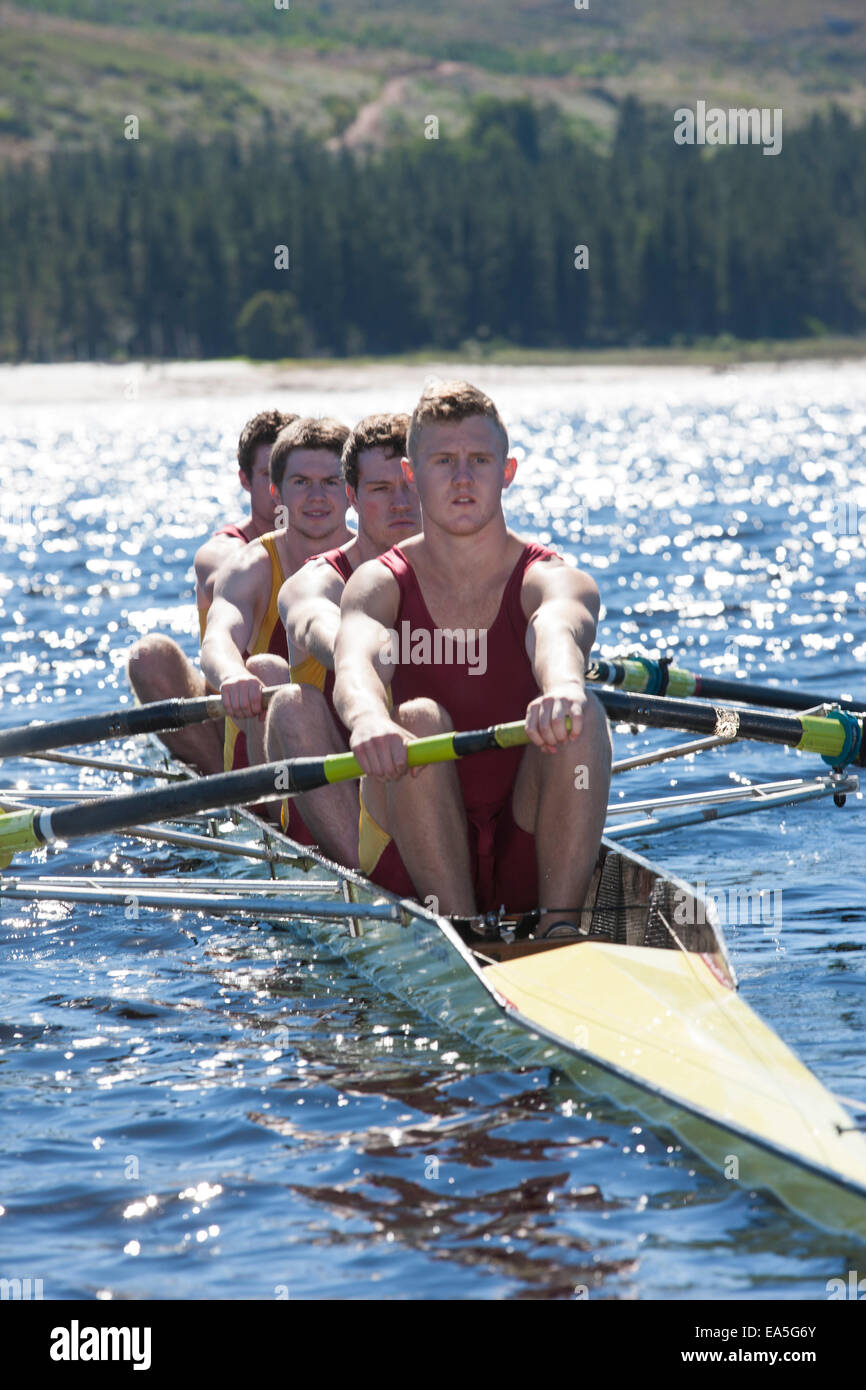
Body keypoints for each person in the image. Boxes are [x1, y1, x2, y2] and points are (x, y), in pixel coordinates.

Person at [333, 381, 612, 936]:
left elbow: (557, 629)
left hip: (523, 838)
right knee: (415, 719)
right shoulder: (378, 583)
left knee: (584, 718)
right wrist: (367, 718)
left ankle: (559, 930)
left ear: (506, 472)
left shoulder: (550, 576)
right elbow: (354, 661)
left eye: (479, 460)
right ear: (413, 476)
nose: (463, 479)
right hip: (410, 843)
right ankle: (461, 932)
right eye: (444, 461)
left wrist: (563, 684)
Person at [265, 413, 421, 864]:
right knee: (293, 705)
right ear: (352, 497)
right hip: (341, 801)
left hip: (426, 781)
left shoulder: (460, 577)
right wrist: (364, 652)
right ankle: (367, 877)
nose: (401, 504)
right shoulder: (314, 583)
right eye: (381, 489)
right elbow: (317, 622)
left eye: (411, 486)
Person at [127, 409, 294, 774]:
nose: (279, 490)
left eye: (289, 475)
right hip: (236, 710)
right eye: (268, 475)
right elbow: (230, 574)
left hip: (304, 703)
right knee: (149, 655)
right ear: (245, 480)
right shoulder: (224, 553)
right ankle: (220, 779)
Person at [200, 416, 351, 781]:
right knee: (266, 670)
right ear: (277, 493)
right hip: (264, 764)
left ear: (351, 490)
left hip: (349, 737)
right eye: (301, 483)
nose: (317, 497)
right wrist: (233, 674)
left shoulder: (374, 561)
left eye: (331, 482)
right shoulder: (250, 565)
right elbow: (217, 639)